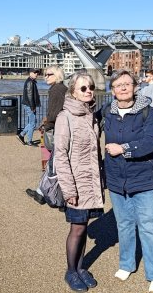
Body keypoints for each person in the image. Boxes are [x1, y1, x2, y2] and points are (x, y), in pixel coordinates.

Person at [102, 69, 153, 293]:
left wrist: (124, 149)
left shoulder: (146, 111)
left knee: (149, 227)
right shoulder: (107, 111)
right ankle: (127, 264)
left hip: (144, 178)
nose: (122, 88)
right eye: (118, 85)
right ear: (112, 90)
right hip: (116, 178)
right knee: (124, 224)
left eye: (127, 84)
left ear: (135, 87)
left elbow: (151, 141)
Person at [54, 72, 104, 292]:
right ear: (73, 91)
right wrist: (69, 189)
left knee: (83, 227)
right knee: (76, 228)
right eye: (83, 88)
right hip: (75, 183)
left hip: (91, 182)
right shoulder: (65, 117)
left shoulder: (90, 115)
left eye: (91, 87)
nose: (88, 91)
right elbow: (60, 155)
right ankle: (71, 271)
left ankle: (81, 267)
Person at [25, 65, 67, 205]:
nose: (45, 77)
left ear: (57, 75)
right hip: (61, 129)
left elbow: (55, 112)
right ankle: (41, 191)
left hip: (58, 131)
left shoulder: (56, 90)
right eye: (45, 74)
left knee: (54, 165)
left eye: (49, 74)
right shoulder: (61, 88)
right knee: (53, 163)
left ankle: (51, 195)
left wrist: (46, 124)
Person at [16, 68, 41, 146]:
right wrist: (32, 106)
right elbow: (30, 96)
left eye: (37, 73)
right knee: (33, 123)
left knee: (32, 122)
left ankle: (21, 135)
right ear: (30, 73)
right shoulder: (30, 82)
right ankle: (29, 141)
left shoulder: (30, 81)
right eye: (35, 72)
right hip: (29, 105)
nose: (36, 74)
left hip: (28, 104)